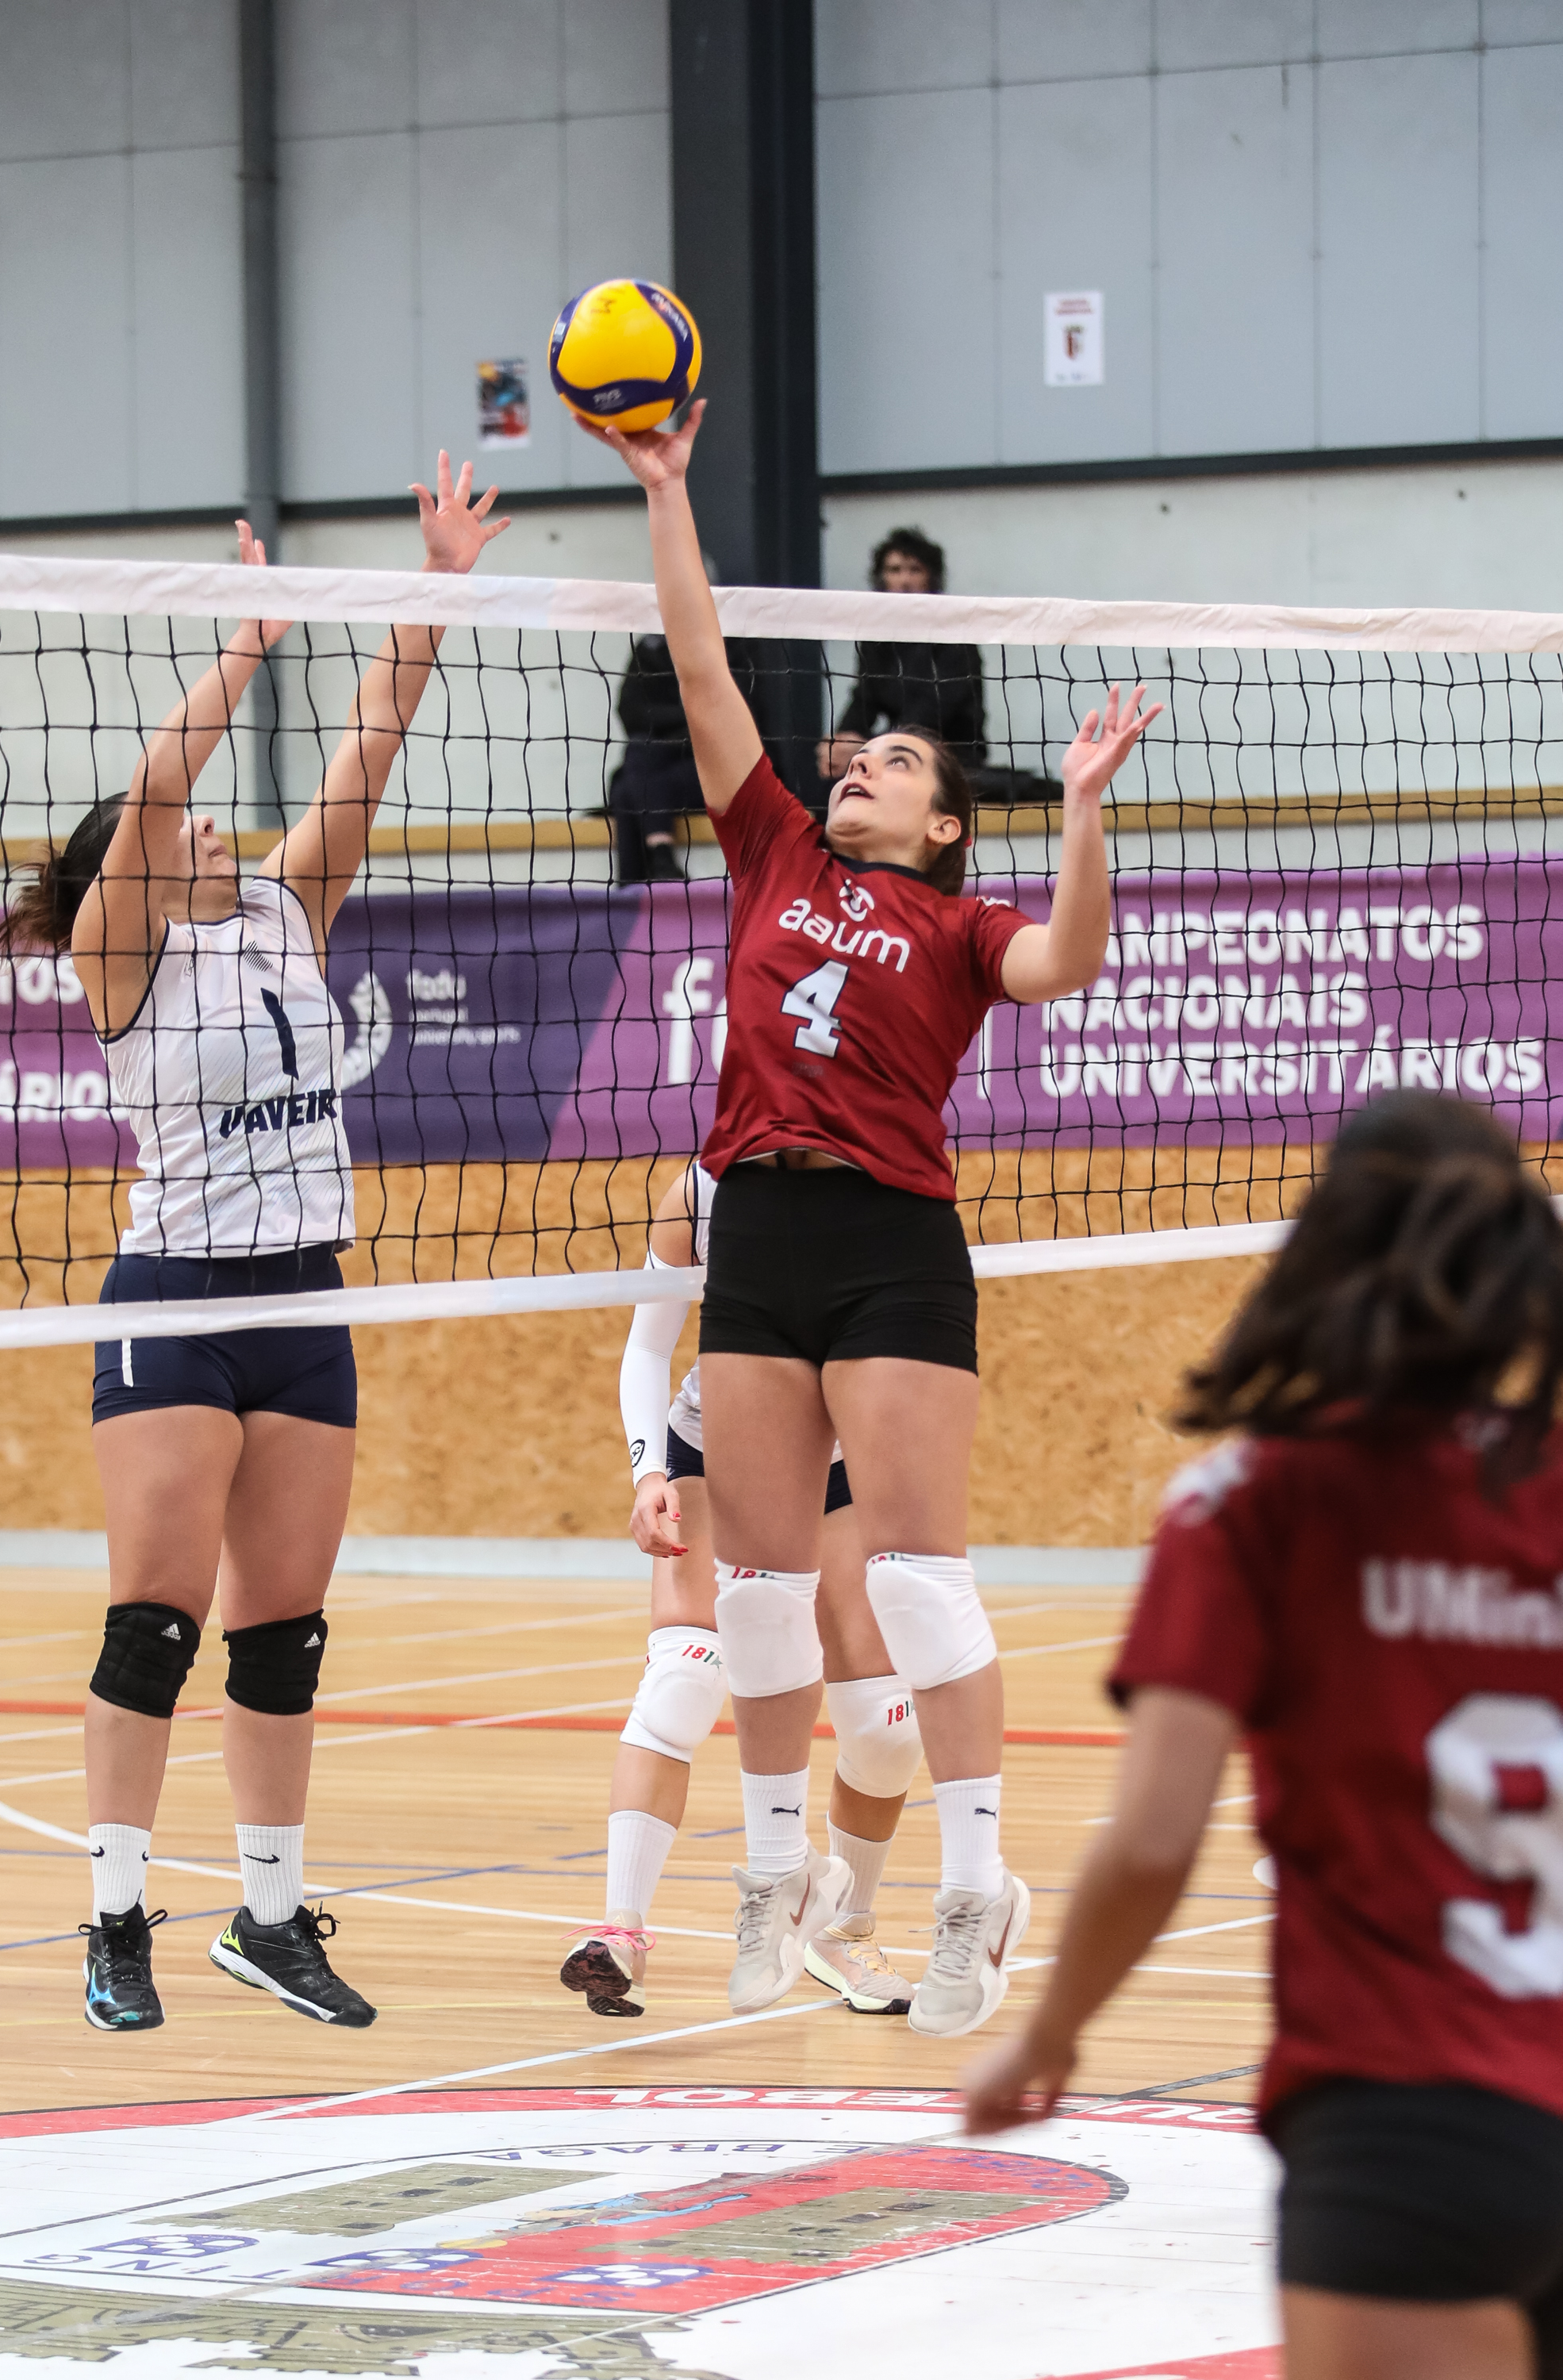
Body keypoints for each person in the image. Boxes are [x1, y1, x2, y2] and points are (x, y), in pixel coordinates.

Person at [588, 396, 1158, 2036]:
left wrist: (1079, 820)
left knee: (908, 1581)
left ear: (941, 821)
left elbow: (1068, 964)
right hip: (756, 1237)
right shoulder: (768, 852)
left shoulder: (971, 923)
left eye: (894, 763)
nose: (858, 770)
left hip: (892, 1243)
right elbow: (700, 671)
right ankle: (777, 1872)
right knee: (760, 1591)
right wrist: (669, 490)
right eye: (855, 756)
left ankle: (973, 1882)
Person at [0, 464, 508, 2034]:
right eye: (180, 832)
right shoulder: (116, 959)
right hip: (176, 1311)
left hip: (304, 1307)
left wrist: (429, 588)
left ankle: (269, 1919)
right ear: (119, 886)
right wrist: (241, 642)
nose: (214, 828)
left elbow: (371, 750)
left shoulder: (285, 912)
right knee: (155, 1623)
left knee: (283, 1637)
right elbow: (152, 799)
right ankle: (114, 1918)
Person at [966, 1090, 1563, 2380]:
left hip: (1409, 2127)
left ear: (1322, 1249)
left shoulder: (1252, 1499)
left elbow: (1149, 1842)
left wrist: (1049, 2034)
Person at [561, 1156, 924, 2018]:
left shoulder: (888, 1165)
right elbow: (649, 1345)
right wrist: (646, 1471)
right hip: (712, 1448)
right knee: (684, 1676)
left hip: (836, 1462)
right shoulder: (700, 1190)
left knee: (883, 1728)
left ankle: (844, 1928)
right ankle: (620, 1932)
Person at [816, 528, 985, 785]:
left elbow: (932, 713)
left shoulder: (955, 637)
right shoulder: (877, 639)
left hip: (952, 758)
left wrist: (868, 747)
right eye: (895, 570)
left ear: (932, 578)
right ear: (882, 578)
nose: (904, 580)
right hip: (894, 753)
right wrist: (842, 741)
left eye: (915, 570)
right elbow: (865, 699)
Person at [606, 633, 759, 885]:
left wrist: (672, 730)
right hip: (661, 762)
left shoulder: (730, 647)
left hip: (713, 770)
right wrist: (688, 721)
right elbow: (630, 712)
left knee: (629, 786)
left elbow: (728, 716)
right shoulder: (650, 647)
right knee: (634, 770)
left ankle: (632, 895)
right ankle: (660, 859)